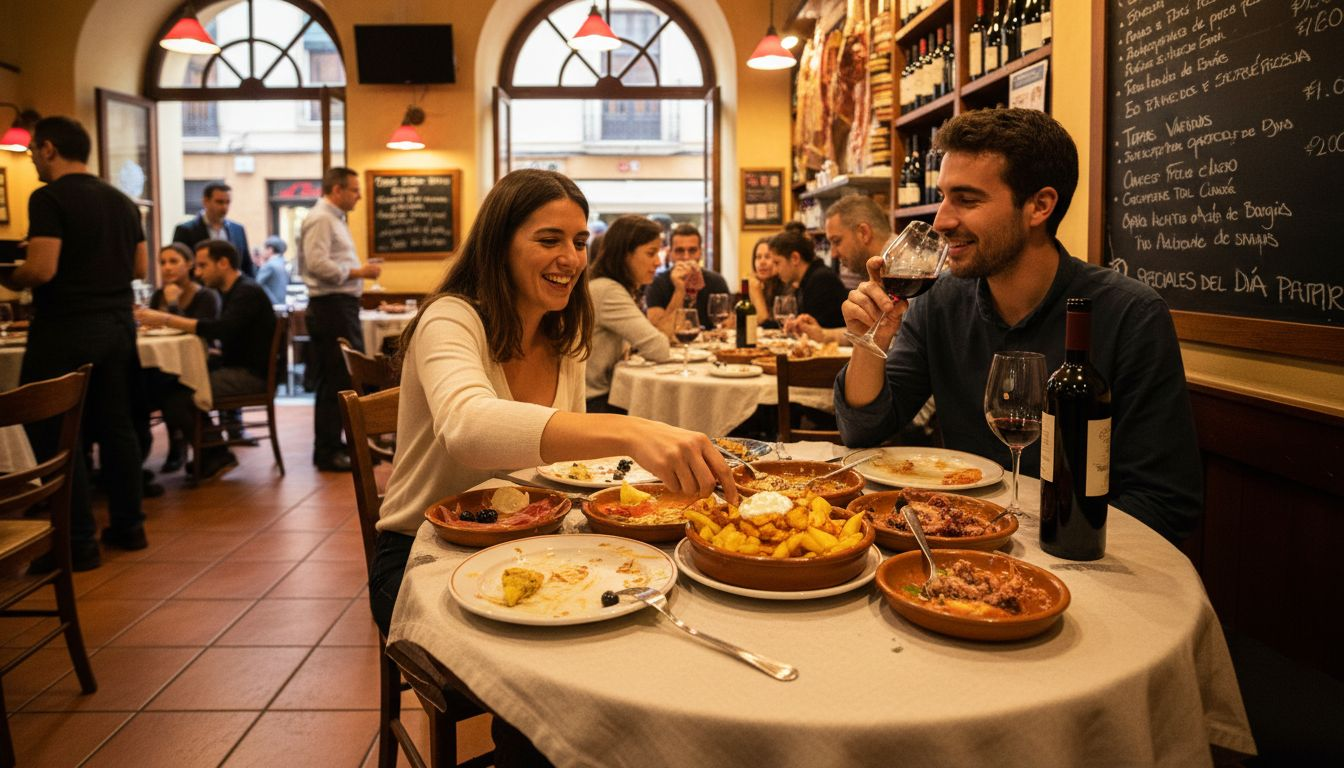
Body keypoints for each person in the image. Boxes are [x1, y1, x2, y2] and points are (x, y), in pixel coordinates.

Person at [371, 169, 735, 766]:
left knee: (642, 633)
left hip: (531, 543)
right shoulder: (451, 319)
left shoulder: (563, 331)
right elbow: (469, 426)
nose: (570, 258)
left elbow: (559, 468)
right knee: (552, 681)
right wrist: (631, 430)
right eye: (549, 240)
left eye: (579, 241)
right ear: (499, 244)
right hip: (421, 554)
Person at [835, 108, 1201, 542]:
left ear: (1039, 206)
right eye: (944, 197)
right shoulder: (940, 302)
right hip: (952, 536)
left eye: (967, 200)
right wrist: (869, 341)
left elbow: (1164, 501)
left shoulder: (1130, 315)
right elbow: (863, 429)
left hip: (1077, 552)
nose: (942, 220)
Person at [1, 116, 149, 570]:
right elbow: (140, 267)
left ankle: (77, 541)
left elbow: (42, 269)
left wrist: (11, 274)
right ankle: (129, 525)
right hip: (117, 326)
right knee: (117, 427)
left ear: (48, 149)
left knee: (55, 431)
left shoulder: (48, 197)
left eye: (32, 155)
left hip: (66, 328)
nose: (34, 164)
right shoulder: (122, 201)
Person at [135, 240, 277, 481]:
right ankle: (212, 453)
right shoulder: (233, 291)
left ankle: (216, 454)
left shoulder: (246, 291)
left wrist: (166, 319)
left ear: (223, 264)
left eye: (202, 265)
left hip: (253, 375)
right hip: (237, 366)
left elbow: (221, 329)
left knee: (179, 392)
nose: (197, 272)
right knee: (168, 384)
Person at [297, 166, 381, 472]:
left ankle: (345, 445)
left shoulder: (333, 218)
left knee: (344, 377)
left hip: (340, 305)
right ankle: (327, 450)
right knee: (335, 379)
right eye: (355, 190)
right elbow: (318, 264)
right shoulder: (321, 218)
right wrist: (360, 272)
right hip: (330, 306)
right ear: (337, 190)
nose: (359, 196)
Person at [585, 214, 677, 411]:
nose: (658, 262)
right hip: (594, 402)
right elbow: (659, 348)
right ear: (625, 255)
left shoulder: (607, 286)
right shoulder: (608, 291)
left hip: (602, 395)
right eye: (651, 253)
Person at [145, 242, 222, 472]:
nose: (167, 268)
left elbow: (198, 333)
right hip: (164, 361)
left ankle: (193, 448)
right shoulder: (157, 294)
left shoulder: (206, 295)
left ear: (189, 265)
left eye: (173, 261)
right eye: (162, 262)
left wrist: (172, 305)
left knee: (172, 389)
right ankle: (180, 447)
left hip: (201, 361)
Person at [789, 195, 892, 343]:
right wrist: (823, 335)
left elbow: (897, 340)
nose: (833, 253)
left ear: (864, 232)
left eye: (836, 241)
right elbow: (872, 331)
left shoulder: (902, 270)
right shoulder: (879, 268)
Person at [644, 223, 730, 329]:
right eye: (680, 251)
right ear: (670, 254)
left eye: (692, 250)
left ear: (700, 253)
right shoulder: (656, 283)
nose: (686, 257)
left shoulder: (716, 281)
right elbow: (658, 330)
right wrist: (679, 289)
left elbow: (728, 324)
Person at [768, 229, 848, 329]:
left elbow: (818, 333)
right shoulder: (806, 281)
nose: (775, 270)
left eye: (777, 263)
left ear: (795, 258)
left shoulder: (821, 281)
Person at [172, 182, 254, 277]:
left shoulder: (238, 230)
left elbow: (246, 265)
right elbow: (179, 265)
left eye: (227, 202)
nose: (224, 207)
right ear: (205, 201)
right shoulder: (185, 230)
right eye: (219, 202)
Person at [747, 235, 790, 328]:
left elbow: (766, 323)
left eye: (767, 257)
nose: (762, 262)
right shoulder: (754, 285)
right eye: (758, 257)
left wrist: (757, 294)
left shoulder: (787, 288)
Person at [254, 235, 290, 305]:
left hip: (270, 305)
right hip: (282, 304)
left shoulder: (269, 265)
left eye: (264, 249)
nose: (262, 252)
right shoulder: (283, 264)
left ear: (270, 250)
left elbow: (257, 286)